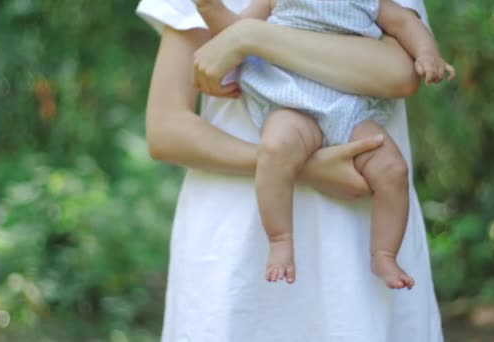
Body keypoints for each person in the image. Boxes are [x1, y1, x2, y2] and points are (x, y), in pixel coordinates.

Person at [137, 0, 444, 340]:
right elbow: (165, 130)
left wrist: (251, 36)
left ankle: (383, 255)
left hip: (354, 248)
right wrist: (304, 167)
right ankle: (280, 238)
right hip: (235, 249)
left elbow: (399, 74)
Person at [193, 0, 455, 288]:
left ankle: (384, 253)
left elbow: (406, 23)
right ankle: (280, 239)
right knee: (275, 148)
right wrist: (210, 9)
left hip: (351, 108)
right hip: (292, 101)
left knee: (392, 169)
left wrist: (428, 53)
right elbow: (235, 33)